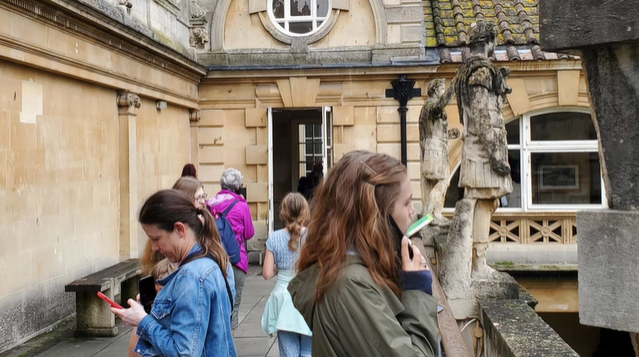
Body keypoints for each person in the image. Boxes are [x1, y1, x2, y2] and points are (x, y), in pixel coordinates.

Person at [288, 150, 439, 357]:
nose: (412, 211)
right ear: (378, 217)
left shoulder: (352, 267)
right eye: (406, 203)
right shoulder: (352, 286)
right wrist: (417, 292)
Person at [112, 189, 236, 357]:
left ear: (179, 229)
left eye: (156, 238)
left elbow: (184, 353)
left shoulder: (191, 276)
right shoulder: (208, 260)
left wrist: (142, 321)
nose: (154, 247)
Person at [454, 19, 513, 277]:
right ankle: (478, 264)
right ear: (490, 42)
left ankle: (475, 261)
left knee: (480, 203)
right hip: (482, 153)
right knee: (484, 203)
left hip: (474, 149)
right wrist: (497, 154)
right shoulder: (481, 72)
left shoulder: (464, 72)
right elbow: (484, 116)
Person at [261, 193, 312, 357]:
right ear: (305, 212)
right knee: (308, 351)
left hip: (283, 300)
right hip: (308, 296)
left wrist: (278, 268)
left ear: (282, 213)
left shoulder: (274, 238)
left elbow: (267, 274)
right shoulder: (313, 236)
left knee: (289, 353)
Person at [207, 168, 255, 335]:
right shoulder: (241, 206)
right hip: (236, 260)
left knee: (214, 310)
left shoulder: (209, 204)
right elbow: (249, 233)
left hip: (213, 260)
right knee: (232, 309)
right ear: (237, 187)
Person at [139, 176, 208, 275]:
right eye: (198, 198)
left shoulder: (192, 273)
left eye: (203, 196)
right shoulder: (166, 243)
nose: (203, 202)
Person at [419, 78, 456, 226]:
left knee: (441, 182)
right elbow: (439, 106)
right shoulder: (429, 106)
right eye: (442, 88)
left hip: (436, 147)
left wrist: (448, 134)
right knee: (443, 181)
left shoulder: (429, 108)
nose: (443, 91)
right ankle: (429, 212)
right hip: (434, 149)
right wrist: (452, 88)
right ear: (435, 90)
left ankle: (435, 214)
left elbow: (435, 129)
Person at [127, 258, 176, 357]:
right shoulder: (154, 315)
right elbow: (133, 354)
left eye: (162, 292)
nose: (158, 298)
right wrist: (140, 317)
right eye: (156, 292)